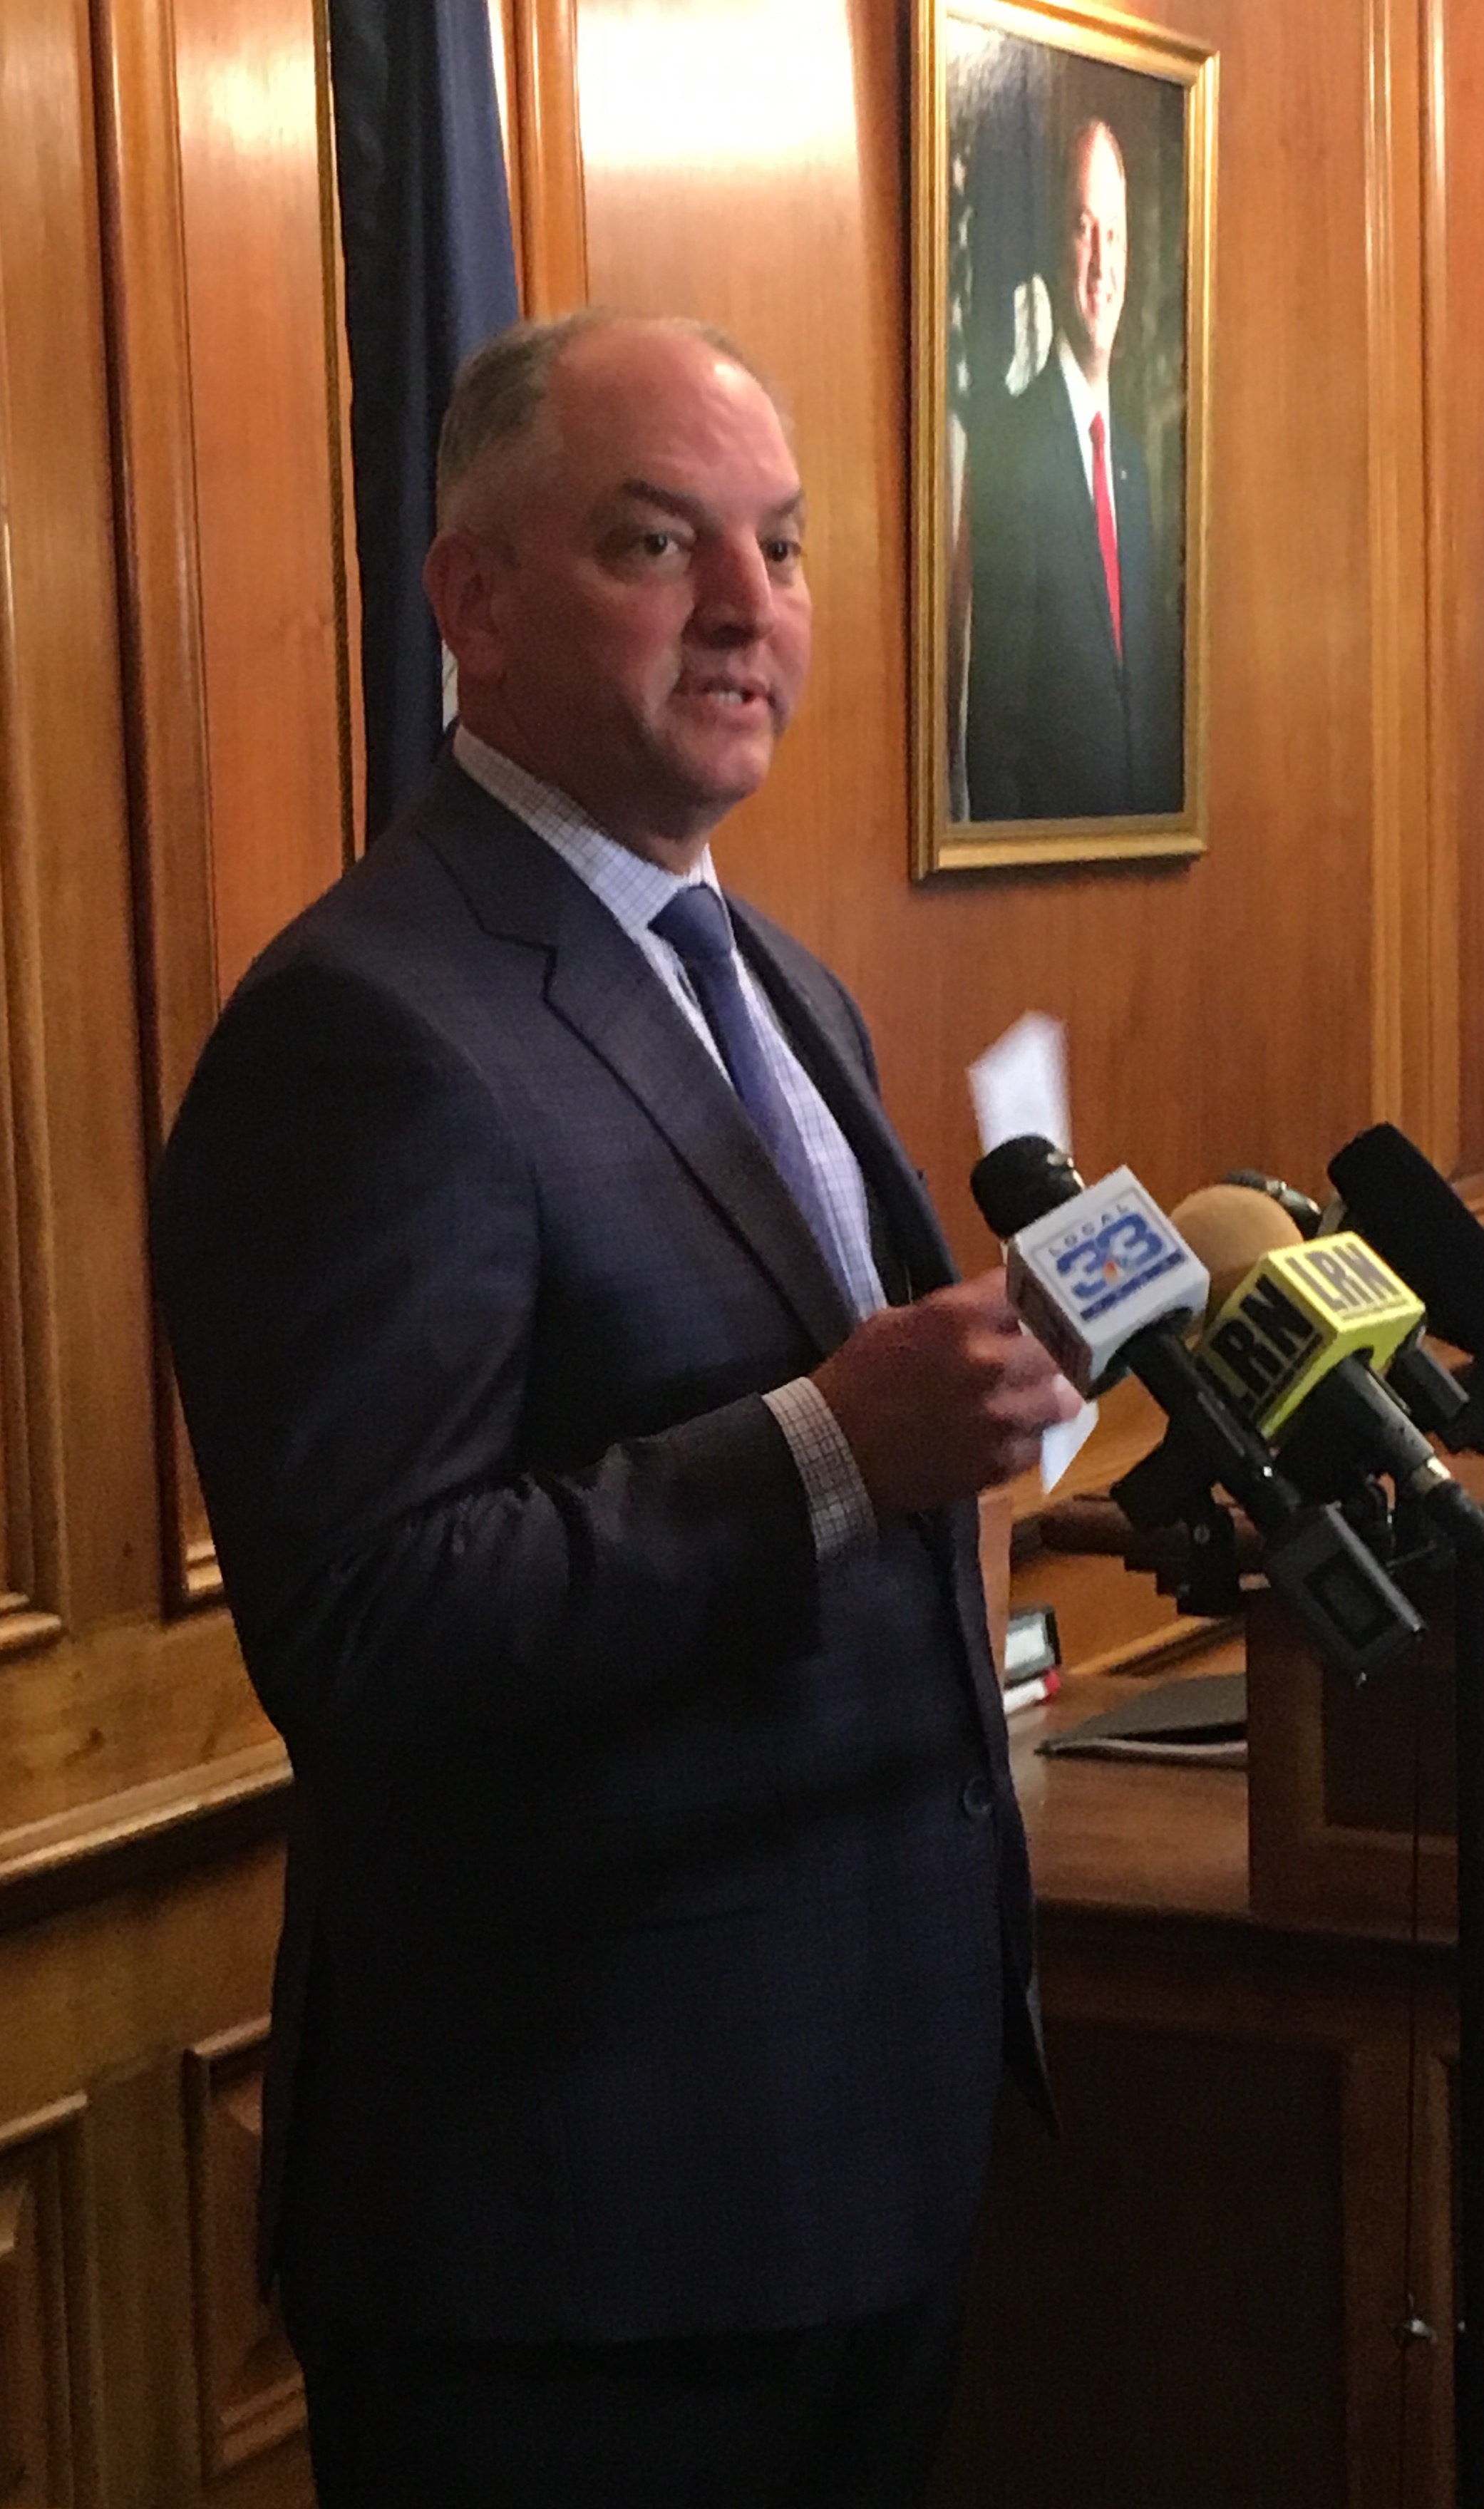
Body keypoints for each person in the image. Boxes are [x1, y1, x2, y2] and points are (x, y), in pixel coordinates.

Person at [152, 309, 1078, 2509]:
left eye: (782, 546)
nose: (749, 609)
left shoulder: (778, 980)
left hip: (858, 2151)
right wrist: (835, 1445)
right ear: (470, 597)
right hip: (579, 2239)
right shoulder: (364, 1025)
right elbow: (370, 1628)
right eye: (661, 545)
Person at [964, 118, 1182, 822]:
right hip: (1048, 865)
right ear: (1055, 246)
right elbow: (992, 733)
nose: (1100, 265)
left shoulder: (1134, 464)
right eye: (1084, 230)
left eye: (1114, 235)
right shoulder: (1010, 447)